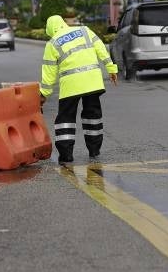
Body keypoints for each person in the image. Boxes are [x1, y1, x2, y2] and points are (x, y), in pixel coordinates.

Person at [40, 15, 118, 164]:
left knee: (66, 119)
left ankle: (66, 155)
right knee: (93, 115)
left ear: (50, 29)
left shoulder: (52, 43)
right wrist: (111, 69)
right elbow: (101, 48)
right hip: (92, 82)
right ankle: (94, 150)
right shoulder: (85, 30)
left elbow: (49, 74)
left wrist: (43, 94)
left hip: (71, 86)